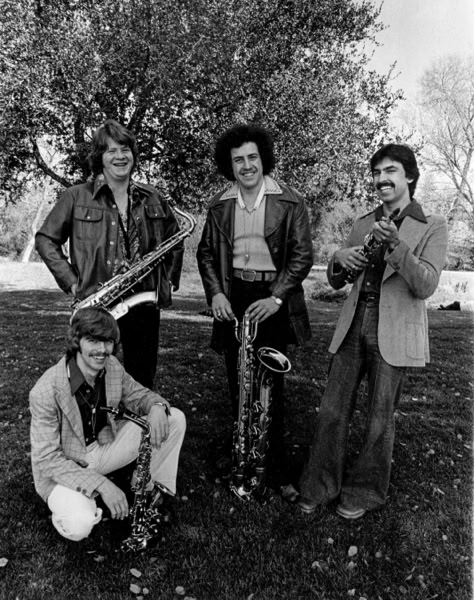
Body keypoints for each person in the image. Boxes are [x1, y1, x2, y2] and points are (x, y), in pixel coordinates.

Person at [297, 143, 448, 519]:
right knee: (332, 410)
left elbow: (426, 285)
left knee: (380, 417)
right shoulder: (364, 222)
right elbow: (338, 280)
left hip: (395, 329)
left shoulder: (433, 225)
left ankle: (364, 492)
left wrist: (396, 245)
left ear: (409, 176)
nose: (381, 179)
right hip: (354, 321)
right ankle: (319, 486)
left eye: (390, 171)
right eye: (377, 173)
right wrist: (338, 259)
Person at [196, 123, 313, 496]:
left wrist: (276, 297)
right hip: (233, 296)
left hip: (272, 298)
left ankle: (275, 469)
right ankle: (242, 458)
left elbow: (302, 255)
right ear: (229, 165)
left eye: (252, 157)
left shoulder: (290, 201)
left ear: (264, 159)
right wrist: (216, 294)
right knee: (238, 382)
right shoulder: (220, 204)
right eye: (238, 160)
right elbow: (206, 254)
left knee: (269, 385)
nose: (246, 166)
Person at [35, 119, 184, 389]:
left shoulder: (152, 197)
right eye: (111, 150)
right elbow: (46, 239)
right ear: (99, 157)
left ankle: (136, 418)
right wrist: (71, 282)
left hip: (144, 305)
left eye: (125, 149)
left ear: (133, 155)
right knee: (91, 378)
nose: (120, 156)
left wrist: (169, 278)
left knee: (141, 380)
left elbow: (175, 239)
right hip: (98, 302)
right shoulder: (76, 196)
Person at [29, 306, 186, 542]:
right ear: (76, 342)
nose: (102, 350)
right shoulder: (45, 390)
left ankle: (148, 492)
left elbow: (139, 395)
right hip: (64, 466)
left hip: (102, 447)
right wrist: (102, 485)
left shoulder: (111, 366)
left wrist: (156, 406)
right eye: (93, 340)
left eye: (108, 341)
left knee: (173, 418)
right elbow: (47, 460)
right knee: (79, 524)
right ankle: (68, 505)